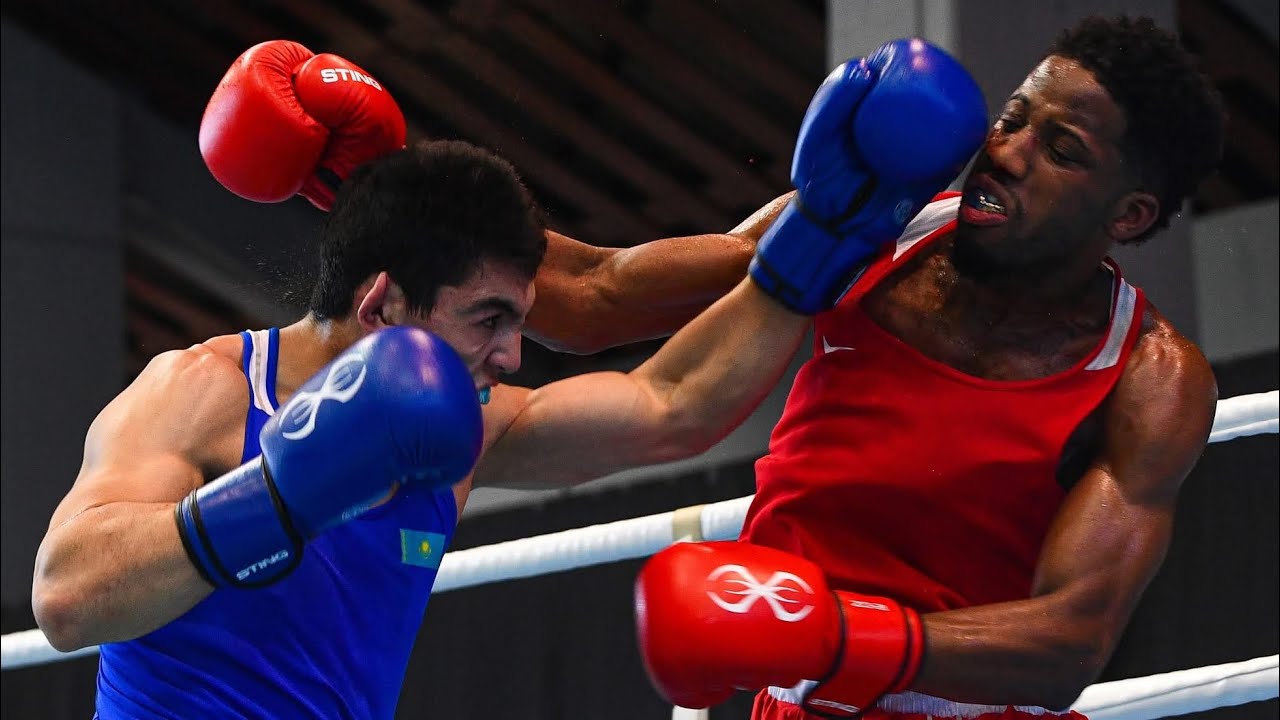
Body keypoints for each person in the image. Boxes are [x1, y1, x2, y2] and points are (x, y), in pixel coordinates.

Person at [30, 36, 985, 718]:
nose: (511, 357)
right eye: (489, 320)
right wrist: (280, 496)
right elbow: (66, 598)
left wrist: (820, 240)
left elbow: (671, 406)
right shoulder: (207, 390)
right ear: (381, 306)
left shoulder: (459, 434)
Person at [634, 15, 1227, 720]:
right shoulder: (876, 225)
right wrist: (470, 255)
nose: (1006, 153)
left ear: (1128, 216)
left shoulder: (1150, 376)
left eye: (1060, 149)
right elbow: (600, 295)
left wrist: (835, 638)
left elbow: (1070, 642)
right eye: (1012, 119)